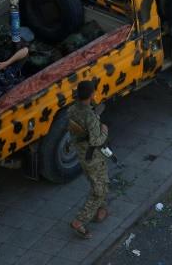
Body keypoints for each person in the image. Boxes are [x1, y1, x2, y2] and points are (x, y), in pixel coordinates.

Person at [68, 80, 110, 239]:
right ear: (92, 94)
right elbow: (96, 140)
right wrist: (104, 131)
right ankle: (79, 221)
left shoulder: (72, 109)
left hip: (82, 152)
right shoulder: (90, 116)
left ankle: (101, 209)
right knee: (98, 189)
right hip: (92, 156)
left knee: (102, 181)